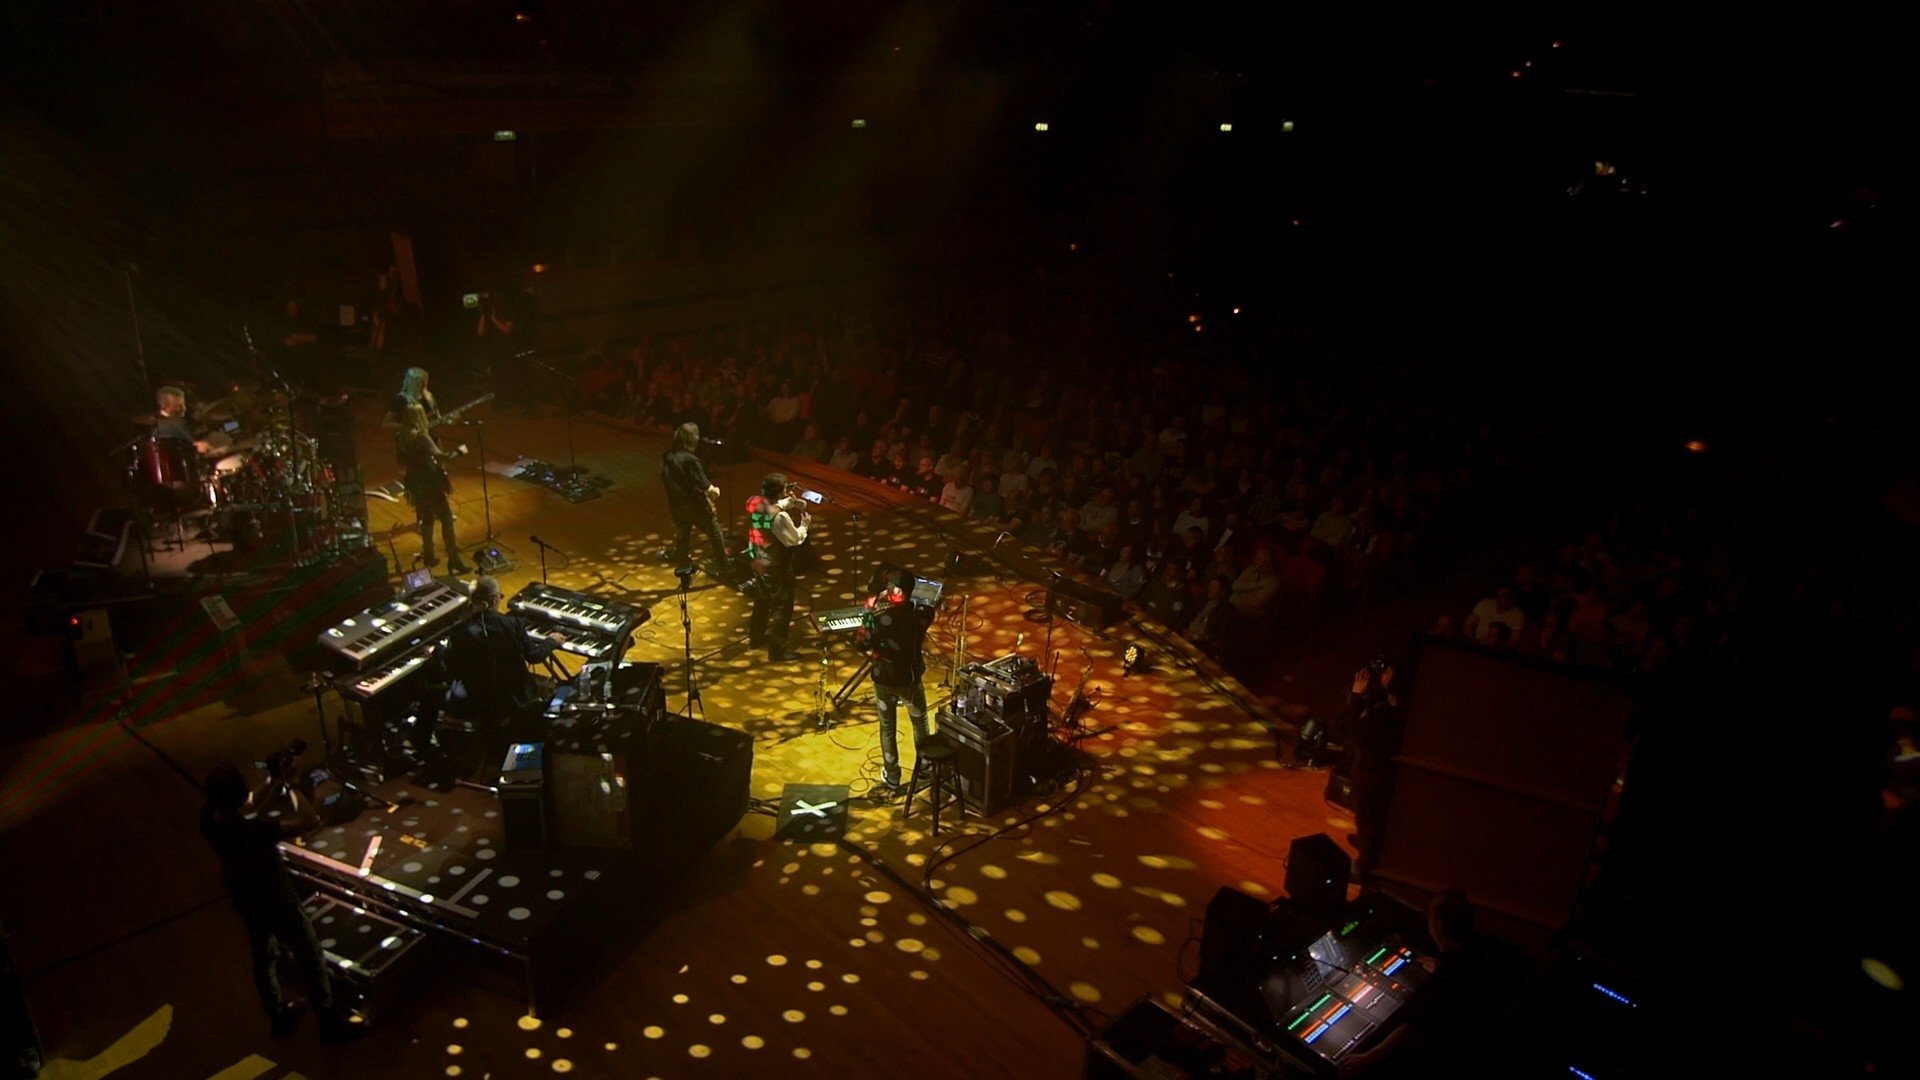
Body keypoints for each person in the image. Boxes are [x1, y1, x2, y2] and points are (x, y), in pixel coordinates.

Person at [200, 759, 353, 1040]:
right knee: (311, 956)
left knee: (264, 955)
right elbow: (309, 821)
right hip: (277, 899)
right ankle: (328, 1022)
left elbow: (245, 804)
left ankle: (277, 1013)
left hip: (245, 898)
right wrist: (293, 787)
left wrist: (274, 781)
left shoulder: (209, 817)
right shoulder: (253, 832)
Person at [1340, 890, 1527, 1078]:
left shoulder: (1444, 980)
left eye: (1429, 916)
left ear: (1438, 925)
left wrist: (1366, 1058)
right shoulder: (1487, 949)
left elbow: (1415, 1025)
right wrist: (1440, 966)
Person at [437, 575, 561, 730]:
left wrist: (438, 652)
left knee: (434, 693)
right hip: (515, 700)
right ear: (494, 599)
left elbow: (450, 670)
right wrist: (552, 641)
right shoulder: (512, 623)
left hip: (478, 703)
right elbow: (535, 656)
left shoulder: (457, 631)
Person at [859, 568, 933, 791]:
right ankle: (926, 770)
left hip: (884, 679)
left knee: (887, 727)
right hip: (909, 682)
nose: (886, 589)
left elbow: (862, 642)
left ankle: (892, 777)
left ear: (898, 591)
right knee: (919, 723)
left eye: (890, 586)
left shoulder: (880, 618)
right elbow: (929, 608)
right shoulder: (921, 616)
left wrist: (868, 608)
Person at [1345, 658, 1406, 888]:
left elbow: (1356, 730)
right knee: (1369, 821)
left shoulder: (1384, 714)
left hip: (1370, 774)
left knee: (1367, 821)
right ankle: (1365, 846)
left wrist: (1356, 695)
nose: (1382, 674)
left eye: (1388, 672)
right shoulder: (1394, 706)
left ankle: (1363, 867)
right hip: (1377, 772)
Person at [398, 403, 469, 573]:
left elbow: (400, 460)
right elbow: (443, 457)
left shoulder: (400, 435)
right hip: (430, 482)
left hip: (414, 483)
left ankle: (429, 555)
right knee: (446, 518)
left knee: (427, 517)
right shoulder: (422, 438)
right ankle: (454, 559)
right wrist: (460, 451)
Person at [745, 473, 809, 661]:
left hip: (758, 561)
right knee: (783, 606)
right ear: (780, 491)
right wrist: (805, 525)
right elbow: (794, 539)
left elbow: (774, 507)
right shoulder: (780, 517)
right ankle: (777, 650)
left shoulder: (757, 504)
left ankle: (755, 637)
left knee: (762, 600)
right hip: (776, 566)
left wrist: (791, 502)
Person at [659, 422, 731, 574]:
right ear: (693, 439)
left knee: (682, 536)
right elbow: (709, 489)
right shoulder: (691, 461)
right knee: (715, 532)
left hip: (676, 506)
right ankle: (723, 567)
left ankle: (684, 566)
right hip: (696, 507)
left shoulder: (667, 456)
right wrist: (716, 490)